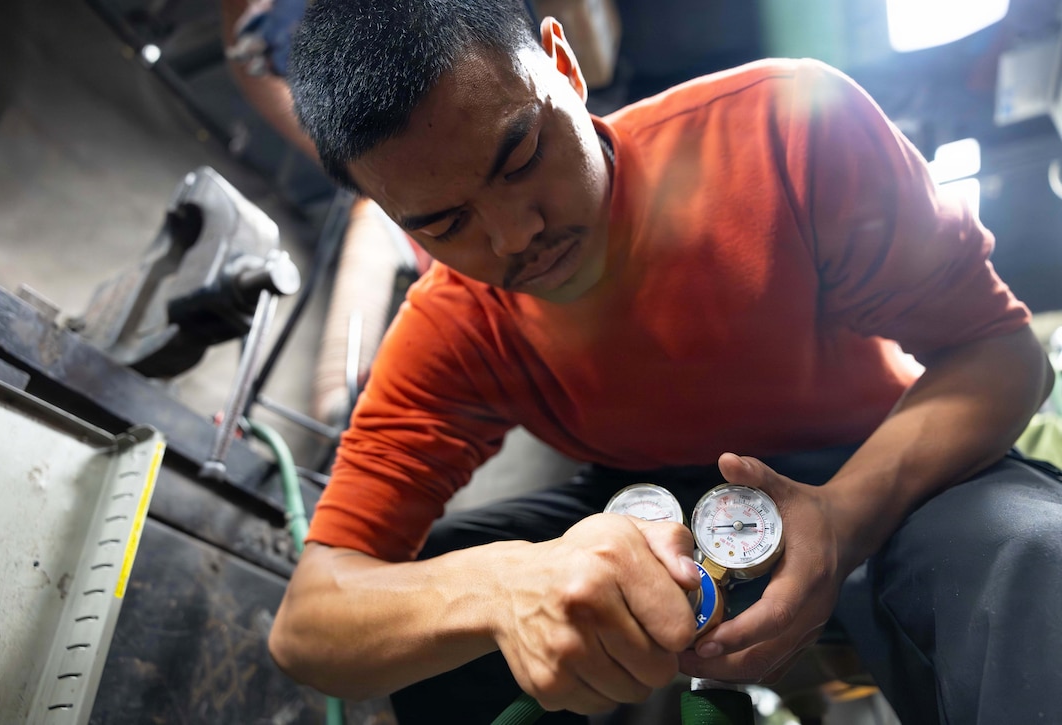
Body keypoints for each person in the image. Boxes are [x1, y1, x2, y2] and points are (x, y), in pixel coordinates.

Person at [268, 0, 1062, 723]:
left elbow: (1003, 353)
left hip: (877, 457)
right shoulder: (455, 324)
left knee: (1031, 557)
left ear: (564, 63)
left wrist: (845, 517)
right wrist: (504, 587)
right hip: (647, 498)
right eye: (444, 223)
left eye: (519, 158)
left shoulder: (786, 125)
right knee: (439, 603)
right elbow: (310, 621)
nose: (514, 235)